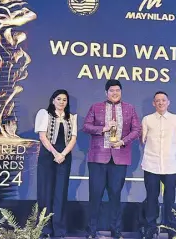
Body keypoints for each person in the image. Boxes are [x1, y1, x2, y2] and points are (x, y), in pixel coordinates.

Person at [83, 79, 141, 239]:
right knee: (95, 195)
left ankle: (116, 232)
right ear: (106, 93)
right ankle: (91, 231)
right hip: (98, 158)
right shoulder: (96, 107)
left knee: (116, 196)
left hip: (119, 158)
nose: (115, 93)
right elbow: (86, 126)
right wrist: (103, 129)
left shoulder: (130, 108)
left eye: (117, 90)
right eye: (111, 91)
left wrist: (123, 141)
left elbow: (137, 129)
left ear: (121, 92)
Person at [141, 91, 176, 239]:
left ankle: (171, 229)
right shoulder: (147, 119)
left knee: (169, 199)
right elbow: (143, 140)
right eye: (157, 101)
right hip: (151, 165)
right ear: (153, 103)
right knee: (151, 197)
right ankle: (150, 229)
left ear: (168, 102)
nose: (160, 103)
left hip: (170, 165)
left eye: (163, 100)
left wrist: (171, 154)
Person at [35, 89, 77, 238]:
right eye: (58, 99)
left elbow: (73, 138)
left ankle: (59, 230)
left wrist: (63, 154)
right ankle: (44, 229)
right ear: (53, 100)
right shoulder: (44, 114)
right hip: (48, 156)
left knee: (61, 193)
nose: (61, 102)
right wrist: (55, 153)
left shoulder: (71, 117)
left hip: (64, 158)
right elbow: (42, 136)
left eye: (64, 100)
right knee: (46, 192)